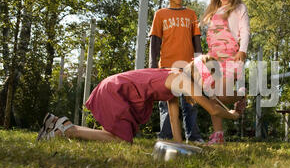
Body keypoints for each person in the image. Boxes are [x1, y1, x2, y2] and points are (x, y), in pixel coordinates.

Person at [36, 56, 245, 144]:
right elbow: (214, 110)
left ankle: (57, 124)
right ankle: (66, 129)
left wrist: (180, 147)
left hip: (118, 87)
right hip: (117, 90)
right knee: (120, 139)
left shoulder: (177, 77)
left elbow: (174, 119)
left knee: (117, 136)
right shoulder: (184, 81)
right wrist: (234, 115)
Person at [149, 0, 204, 144]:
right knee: (167, 104)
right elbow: (155, 40)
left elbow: (196, 40)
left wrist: (200, 62)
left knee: (190, 104)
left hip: (189, 66)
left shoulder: (191, 14)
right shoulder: (160, 14)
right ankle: (165, 136)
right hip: (166, 67)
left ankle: (193, 137)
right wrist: (152, 65)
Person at [200, 0, 250, 145]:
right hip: (214, 60)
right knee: (211, 97)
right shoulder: (214, 11)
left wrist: (243, 50)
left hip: (231, 58)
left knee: (221, 95)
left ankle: (240, 97)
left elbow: (245, 31)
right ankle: (218, 134)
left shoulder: (239, 8)